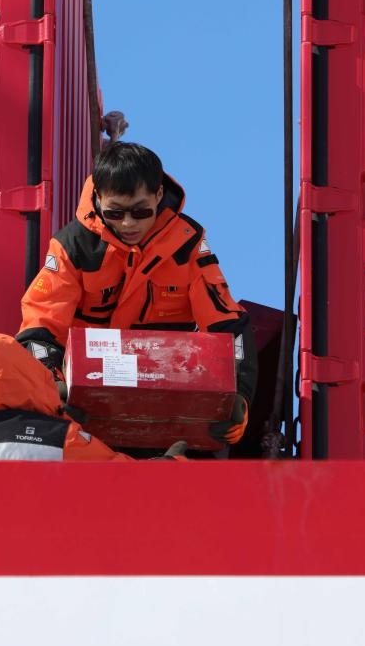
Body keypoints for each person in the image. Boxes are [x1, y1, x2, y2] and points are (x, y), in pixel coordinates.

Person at [16, 142, 257, 446]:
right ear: (99, 198)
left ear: (158, 195)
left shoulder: (188, 246)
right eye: (115, 213)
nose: (129, 224)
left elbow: (229, 326)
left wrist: (239, 398)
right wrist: (51, 390)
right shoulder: (72, 247)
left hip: (166, 410)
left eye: (141, 211)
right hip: (83, 413)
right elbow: (39, 327)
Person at [0, 332, 187, 462]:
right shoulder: (58, 437)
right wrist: (172, 464)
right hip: (36, 560)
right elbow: (123, 482)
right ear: (26, 373)